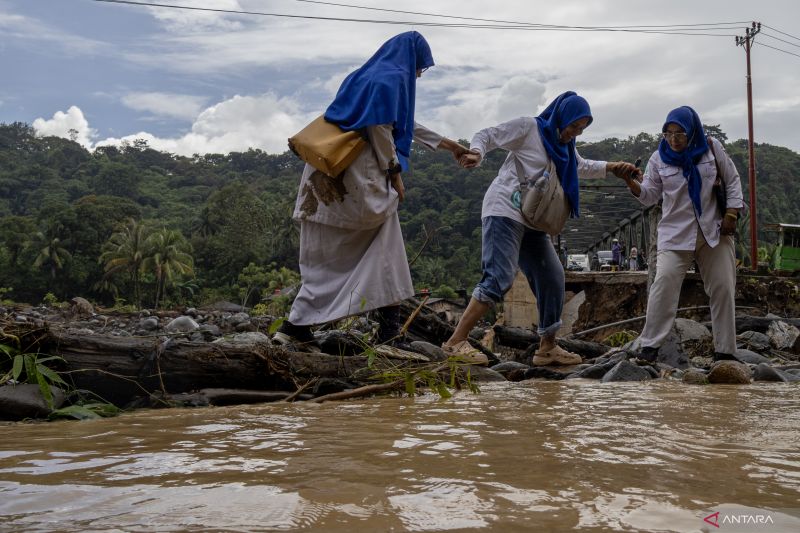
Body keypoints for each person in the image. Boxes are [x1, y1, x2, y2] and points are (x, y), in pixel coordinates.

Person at [273, 31, 470, 350]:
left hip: (324, 179)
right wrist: (395, 174)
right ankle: (388, 330)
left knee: (325, 257)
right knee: (387, 245)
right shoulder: (392, 78)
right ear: (412, 59)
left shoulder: (365, 77)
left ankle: (295, 325)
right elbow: (380, 127)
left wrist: (448, 145)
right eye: (421, 67)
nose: (419, 74)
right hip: (356, 177)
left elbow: (400, 121)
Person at [441, 91, 640, 365]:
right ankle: (455, 342)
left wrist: (613, 167)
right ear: (561, 117)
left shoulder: (564, 146)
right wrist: (477, 152)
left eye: (581, 129)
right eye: (573, 126)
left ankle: (547, 347)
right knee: (499, 277)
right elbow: (487, 135)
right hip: (505, 210)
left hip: (532, 219)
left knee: (552, 276)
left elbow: (580, 166)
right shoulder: (529, 127)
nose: (575, 133)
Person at [617, 106, 746, 363]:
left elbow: (732, 180)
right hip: (676, 234)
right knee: (663, 283)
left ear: (693, 131)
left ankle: (725, 352)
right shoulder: (658, 159)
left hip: (714, 230)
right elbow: (650, 195)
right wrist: (631, 182)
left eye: (680, 133)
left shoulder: (711, 148)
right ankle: (649, 347)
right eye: (668, 133)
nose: (674, 139)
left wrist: (731, 214)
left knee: (722, 286)